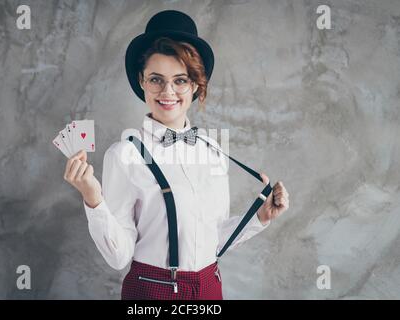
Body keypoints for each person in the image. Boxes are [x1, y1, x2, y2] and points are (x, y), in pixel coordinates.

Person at [63, 10, 289, 300]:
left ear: (195, 85)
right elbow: (119, 258)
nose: (168, 91)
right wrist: (92, 198)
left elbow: (213, 239)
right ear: (142, 82)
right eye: (156, 79)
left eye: (180, 80)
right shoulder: (124, 155)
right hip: (152, 291)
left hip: (210, 287)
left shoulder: (213, 148)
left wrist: (260, 217)